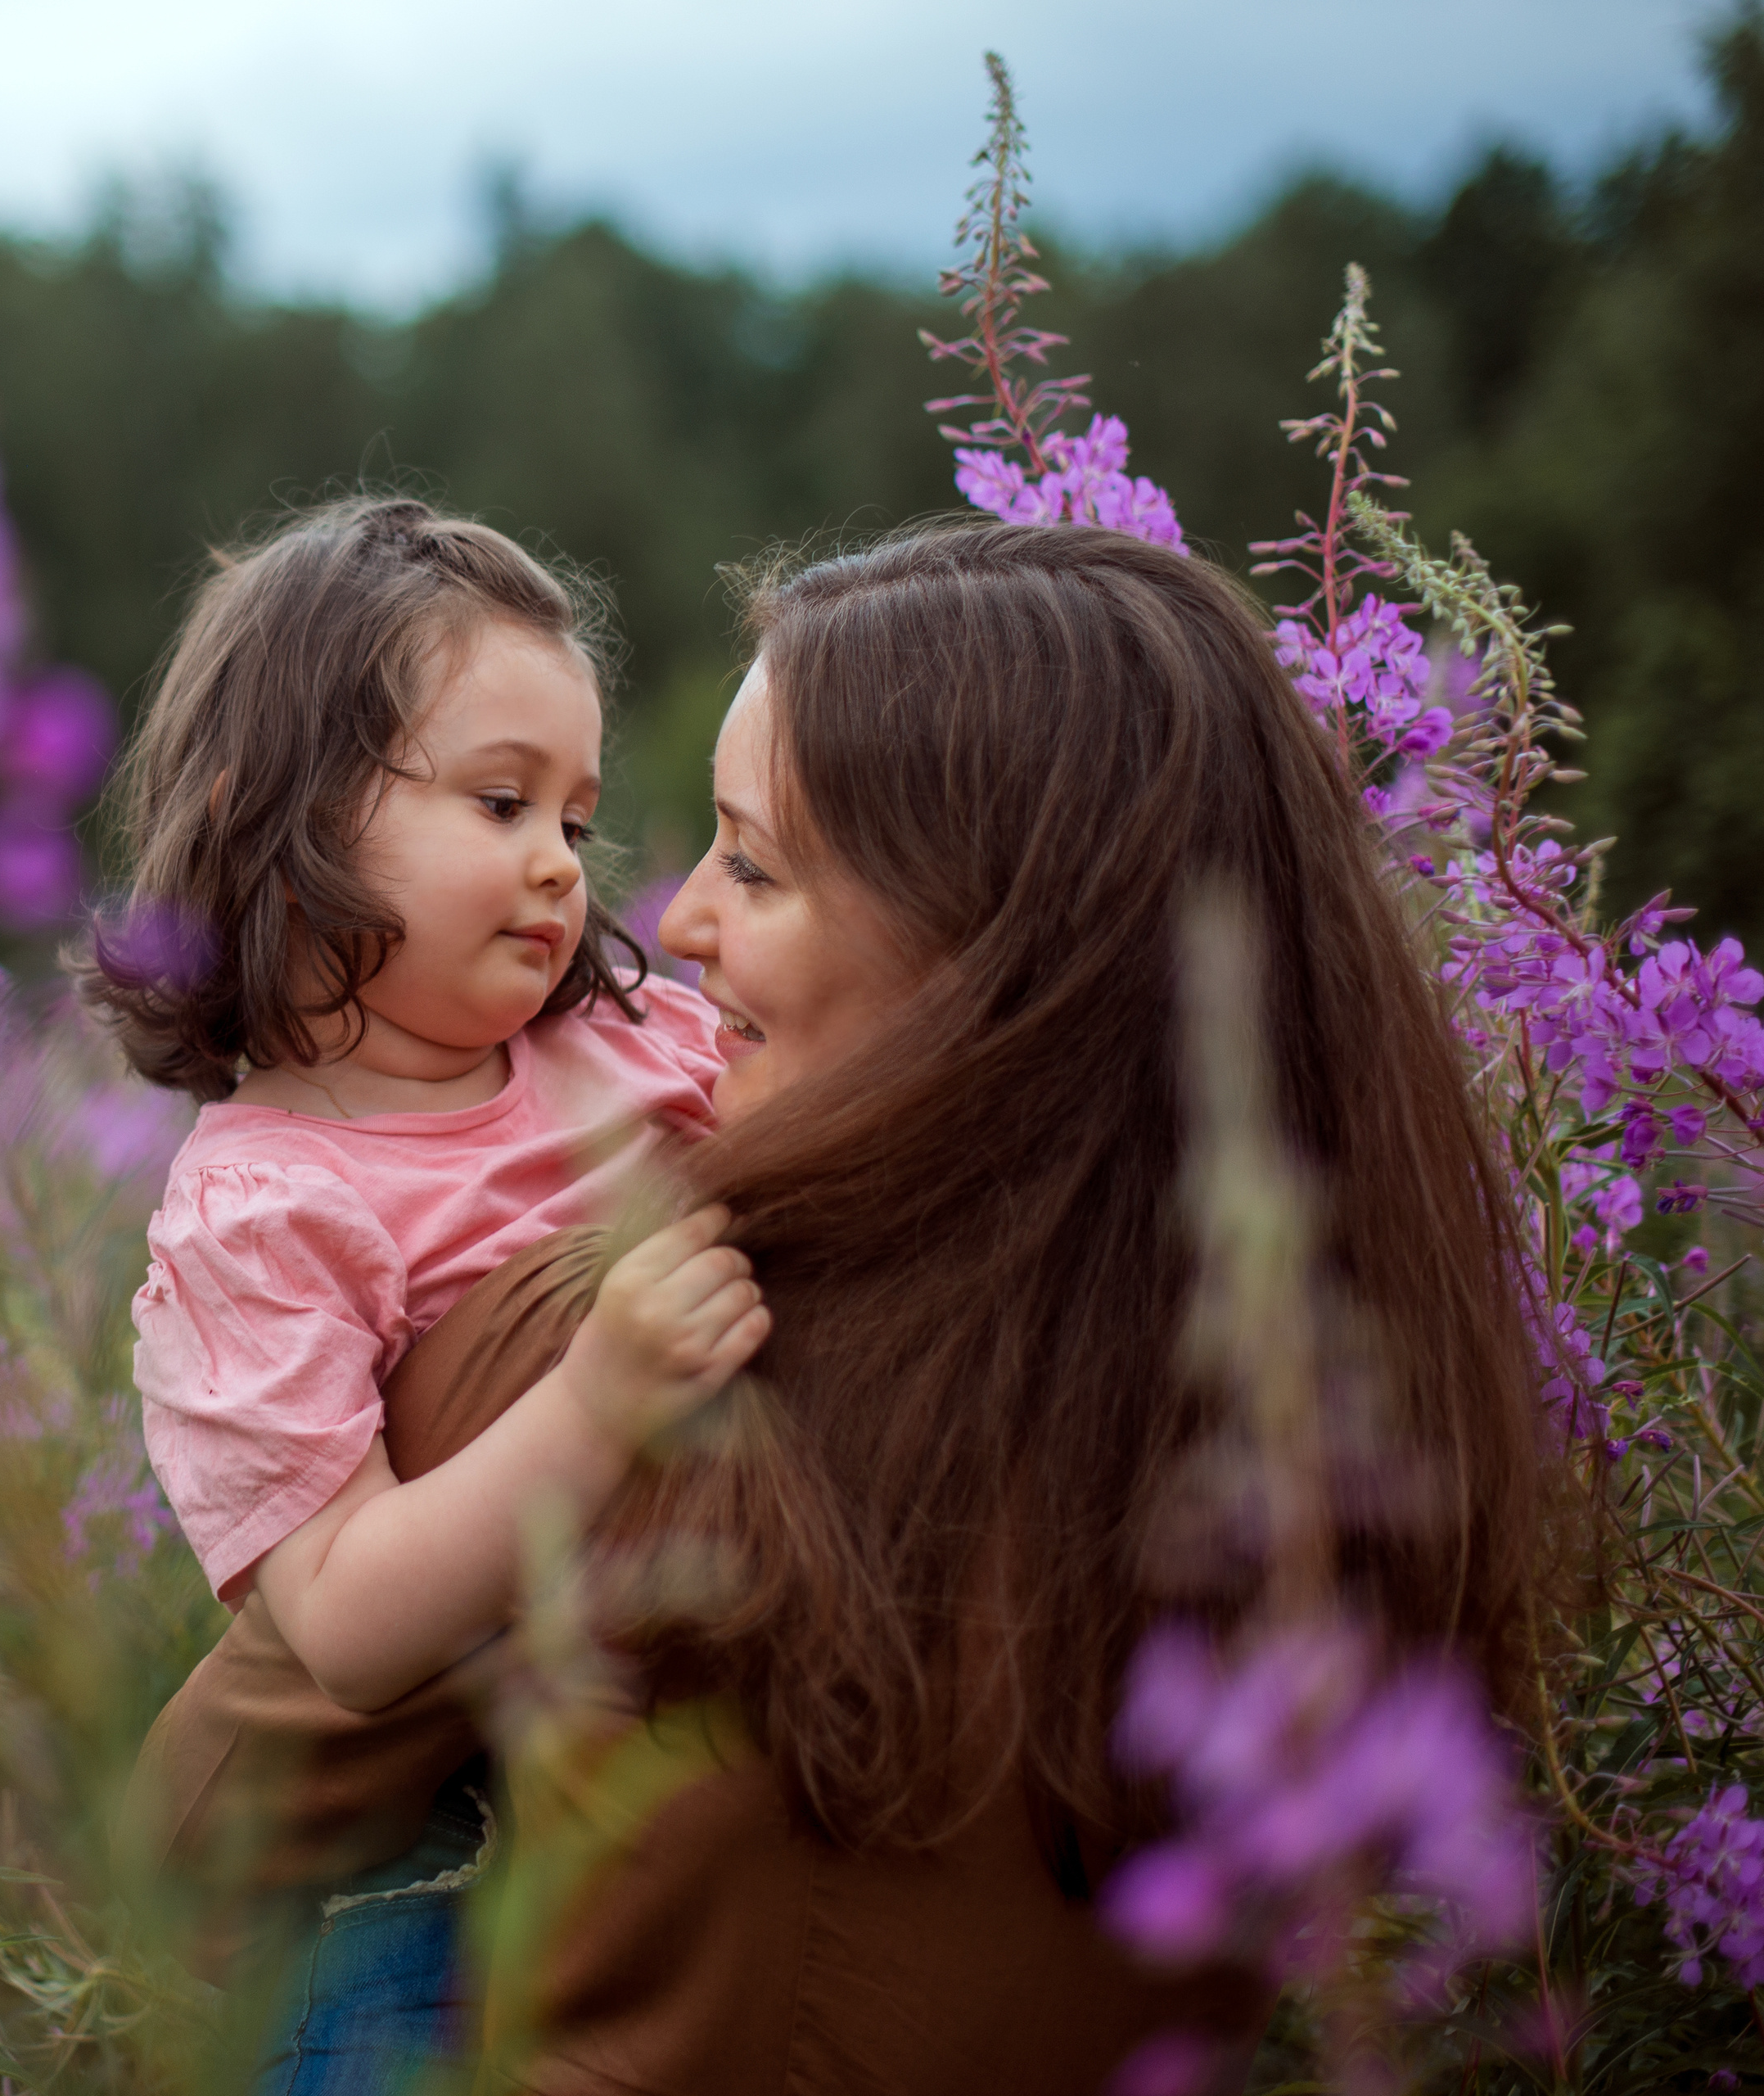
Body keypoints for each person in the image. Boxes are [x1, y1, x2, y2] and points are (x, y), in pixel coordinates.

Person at [455, 519, 1549, 2089]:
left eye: (754, 862)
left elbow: (220, 1793)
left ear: (993, 961)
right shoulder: (1305, 1446)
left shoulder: (655, 1371)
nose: (677, 919)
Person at [74, 495, 767, 2094]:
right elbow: (350, 1626)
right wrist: (596, 1399)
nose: (555, 864)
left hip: (664, 1742)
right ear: (278, 814)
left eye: (578, 822)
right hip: (408, 1858)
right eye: (502, 798)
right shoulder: (265, 1214)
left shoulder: (628, 1039)